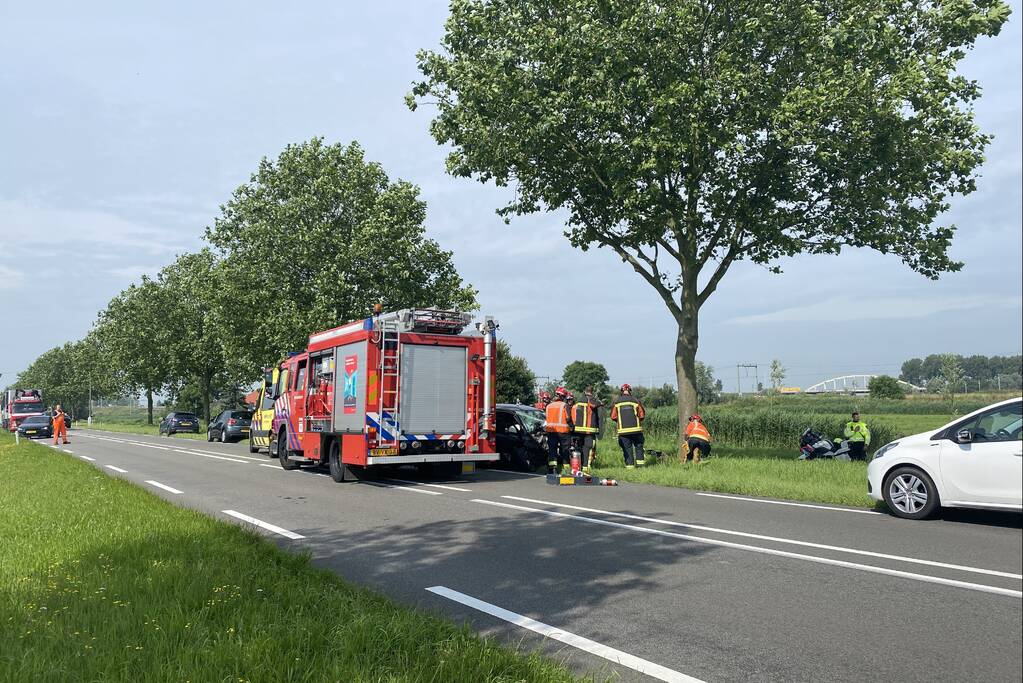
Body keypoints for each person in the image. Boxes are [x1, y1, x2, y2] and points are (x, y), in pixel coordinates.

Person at [610, 383, 645, 468]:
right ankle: (640, 467)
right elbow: (642, 415)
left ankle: (630, 467)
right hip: (636, 430)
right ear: (630, 391)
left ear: (621, 391)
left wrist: (620, 421)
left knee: (627, 449)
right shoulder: (636, 400)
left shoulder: (617, 402)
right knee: (639, 446)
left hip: (623, 431)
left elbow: (613, 416)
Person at [544, 387, 573, 474]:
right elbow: (568, 418)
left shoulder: (548, 406)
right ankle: (566, 470)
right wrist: (572, 427)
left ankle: (552, 470)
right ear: (563, 396)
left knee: (552, 450)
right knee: (565, 451)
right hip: (563, 431)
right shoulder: (565, 405)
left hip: (551, 432)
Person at [571, 388, 600, 474]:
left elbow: (573, 416)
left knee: (579, 448)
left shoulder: (577, 403)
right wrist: (600, 403)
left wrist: (576, 425)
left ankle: (577, 466)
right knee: (589, 447)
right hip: (589, 430)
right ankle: (586, 466)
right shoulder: (591, 401)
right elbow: (594, 406)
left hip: (579, 430)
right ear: (591, 393)